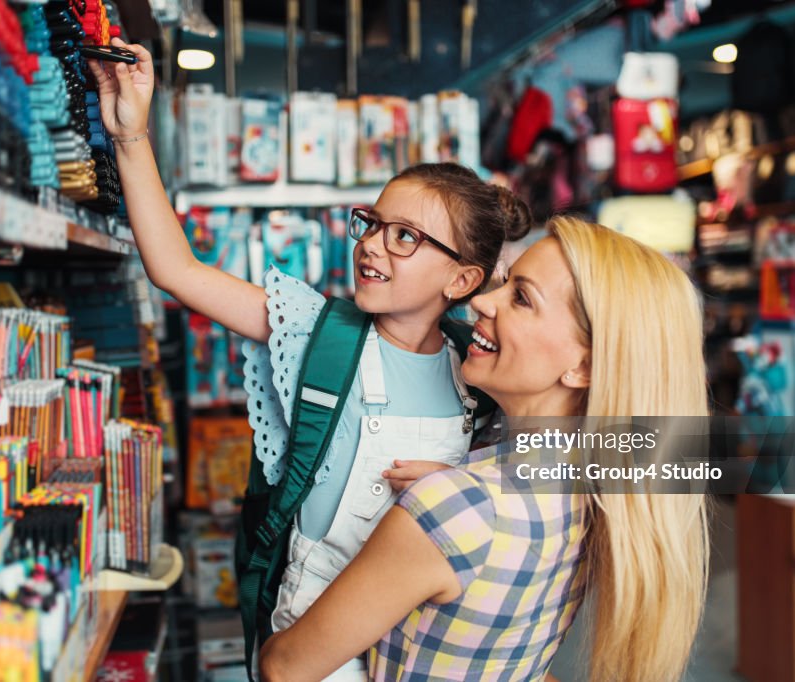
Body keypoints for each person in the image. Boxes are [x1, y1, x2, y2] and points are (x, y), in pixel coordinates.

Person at [86, 40, 532, 680]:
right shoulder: (318, 333)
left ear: (461, 281)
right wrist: (131, 137)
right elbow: (177, 270)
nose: (373, 245)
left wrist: (461, 487)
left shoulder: (479, 372)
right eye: (372, 223)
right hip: (310, 627)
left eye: (405, 237)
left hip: (416, 635)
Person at [259, 216, 710, 682]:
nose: (480, 302)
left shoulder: (456, 507)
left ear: (584, 366)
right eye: (506, 281)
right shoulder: (598, 484)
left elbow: (284, 668)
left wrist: (443, 504)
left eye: (521, 298)